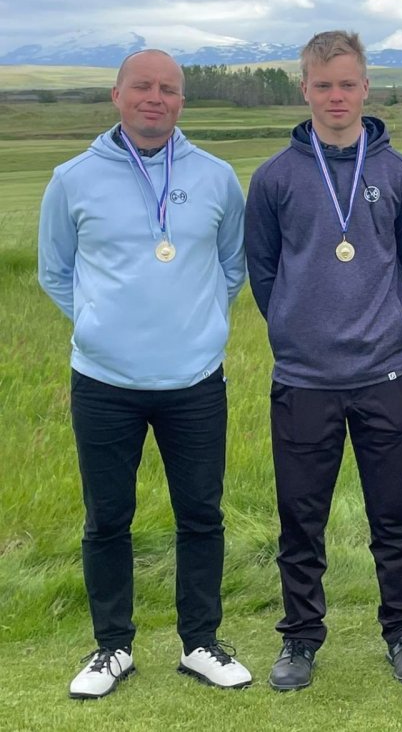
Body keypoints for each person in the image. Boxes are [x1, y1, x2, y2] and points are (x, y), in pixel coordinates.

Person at [38, 49, 252, 698]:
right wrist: (98, 324)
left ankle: (200, 642)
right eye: (142, 86)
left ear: (182, 100)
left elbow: (233, 265)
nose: (155, 98)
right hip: (104, 382)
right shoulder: (72, 179)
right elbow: (55, 271)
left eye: (168, 89)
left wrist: (198, 323)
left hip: (194, 379)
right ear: (117, 95)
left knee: (201, 515)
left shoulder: (216, 177)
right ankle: (113, 647)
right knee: (107, 517)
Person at [244, 30, 402, 689]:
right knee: (301, 521)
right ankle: (300, 639)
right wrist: (297, 330)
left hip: (384, 373)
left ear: (366, 88)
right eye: (323, 85)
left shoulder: (401, 174)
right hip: (305, 380)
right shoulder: (274, 178)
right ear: (305, 89)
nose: (336, 96)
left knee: (394, 518)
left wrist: (381, 327)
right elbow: (264, 273)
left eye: (347, 84)